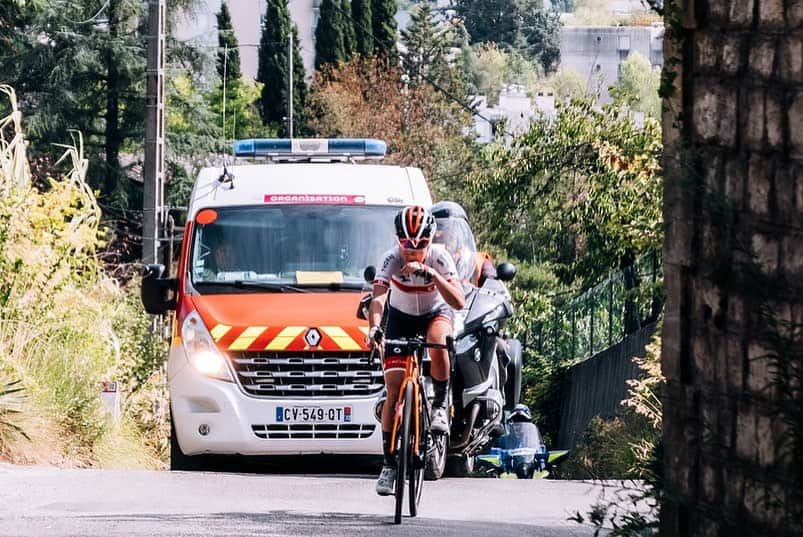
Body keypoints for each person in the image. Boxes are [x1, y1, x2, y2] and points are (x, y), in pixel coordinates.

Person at [367, 205, 466, 495]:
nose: (412, 251)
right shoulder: (391, 259)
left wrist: (433, 275)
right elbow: (378, 300)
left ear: (430, 240)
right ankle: (388, 463)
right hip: (400, 318)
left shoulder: (440, 258)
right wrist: (374, 328)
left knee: (439, 341)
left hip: (435, 313)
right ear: (398, 241)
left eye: (420, 244)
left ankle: (438, 406)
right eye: (407, 244)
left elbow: (458, 301)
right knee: (394, 389)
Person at [430, 201, 496, 288]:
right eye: (441, 234)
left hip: (467, 300)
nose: (446, 239)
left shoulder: (477, 262)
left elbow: (493, 290)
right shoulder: (424, 258)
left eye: (452, 234)